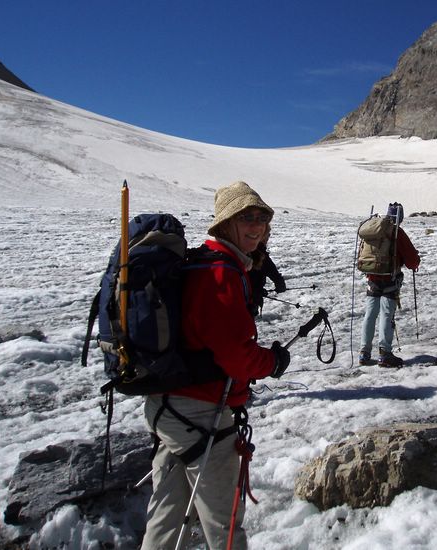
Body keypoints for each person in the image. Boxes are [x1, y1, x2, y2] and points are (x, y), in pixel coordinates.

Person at [141, 181, 290, 550]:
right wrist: (271, 362)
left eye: (262, 218)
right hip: (202, 413)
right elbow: (236, 356)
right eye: (247, 217)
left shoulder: (200, 263)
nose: (257, 226)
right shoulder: (220, 273)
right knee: (224, 522)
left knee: (168, 512)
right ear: (226, 223)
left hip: (169, 407)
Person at [358, 202, 420, 367]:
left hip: (372, 278)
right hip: (390, 280)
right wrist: (415, 263)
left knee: (370, 314)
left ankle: (364, 352)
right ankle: (385, 353)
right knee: (386, 314)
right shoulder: (397, 233)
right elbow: (412, 260)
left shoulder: (374, 231)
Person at [248, 227, 287, 317]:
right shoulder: (260, 254)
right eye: (267, 235)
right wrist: (280, 286)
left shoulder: (243, 249)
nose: (268, 238)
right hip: (251, 298)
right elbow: (274, 274)